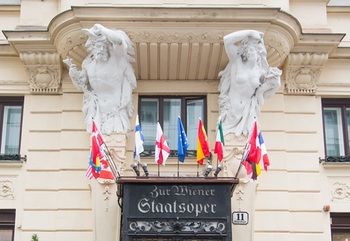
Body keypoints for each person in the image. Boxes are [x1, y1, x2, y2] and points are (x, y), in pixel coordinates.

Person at [64, 24, 136, 134]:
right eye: (98, 46)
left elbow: (119, 41)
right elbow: (81, 84)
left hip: (115, 113)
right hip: (96, 112)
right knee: (98, 148)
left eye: (104, 46)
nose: (101, 49)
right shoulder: (88, 64)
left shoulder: (117, 60)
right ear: (92, 47)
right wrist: (73, 74)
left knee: (114, 145)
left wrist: (102, 29)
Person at [218, 30, 281, 136]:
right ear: (245, 51)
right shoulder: (236, 60)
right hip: (232, 111)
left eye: (256, 50)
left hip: (249, 112)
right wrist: (250, 33)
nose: (253, 52)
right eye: (250, 49)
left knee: (251, 147)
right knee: (225, 143)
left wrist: (275, 85)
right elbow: (227, 40)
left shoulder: (262, 72)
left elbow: (266, 93)